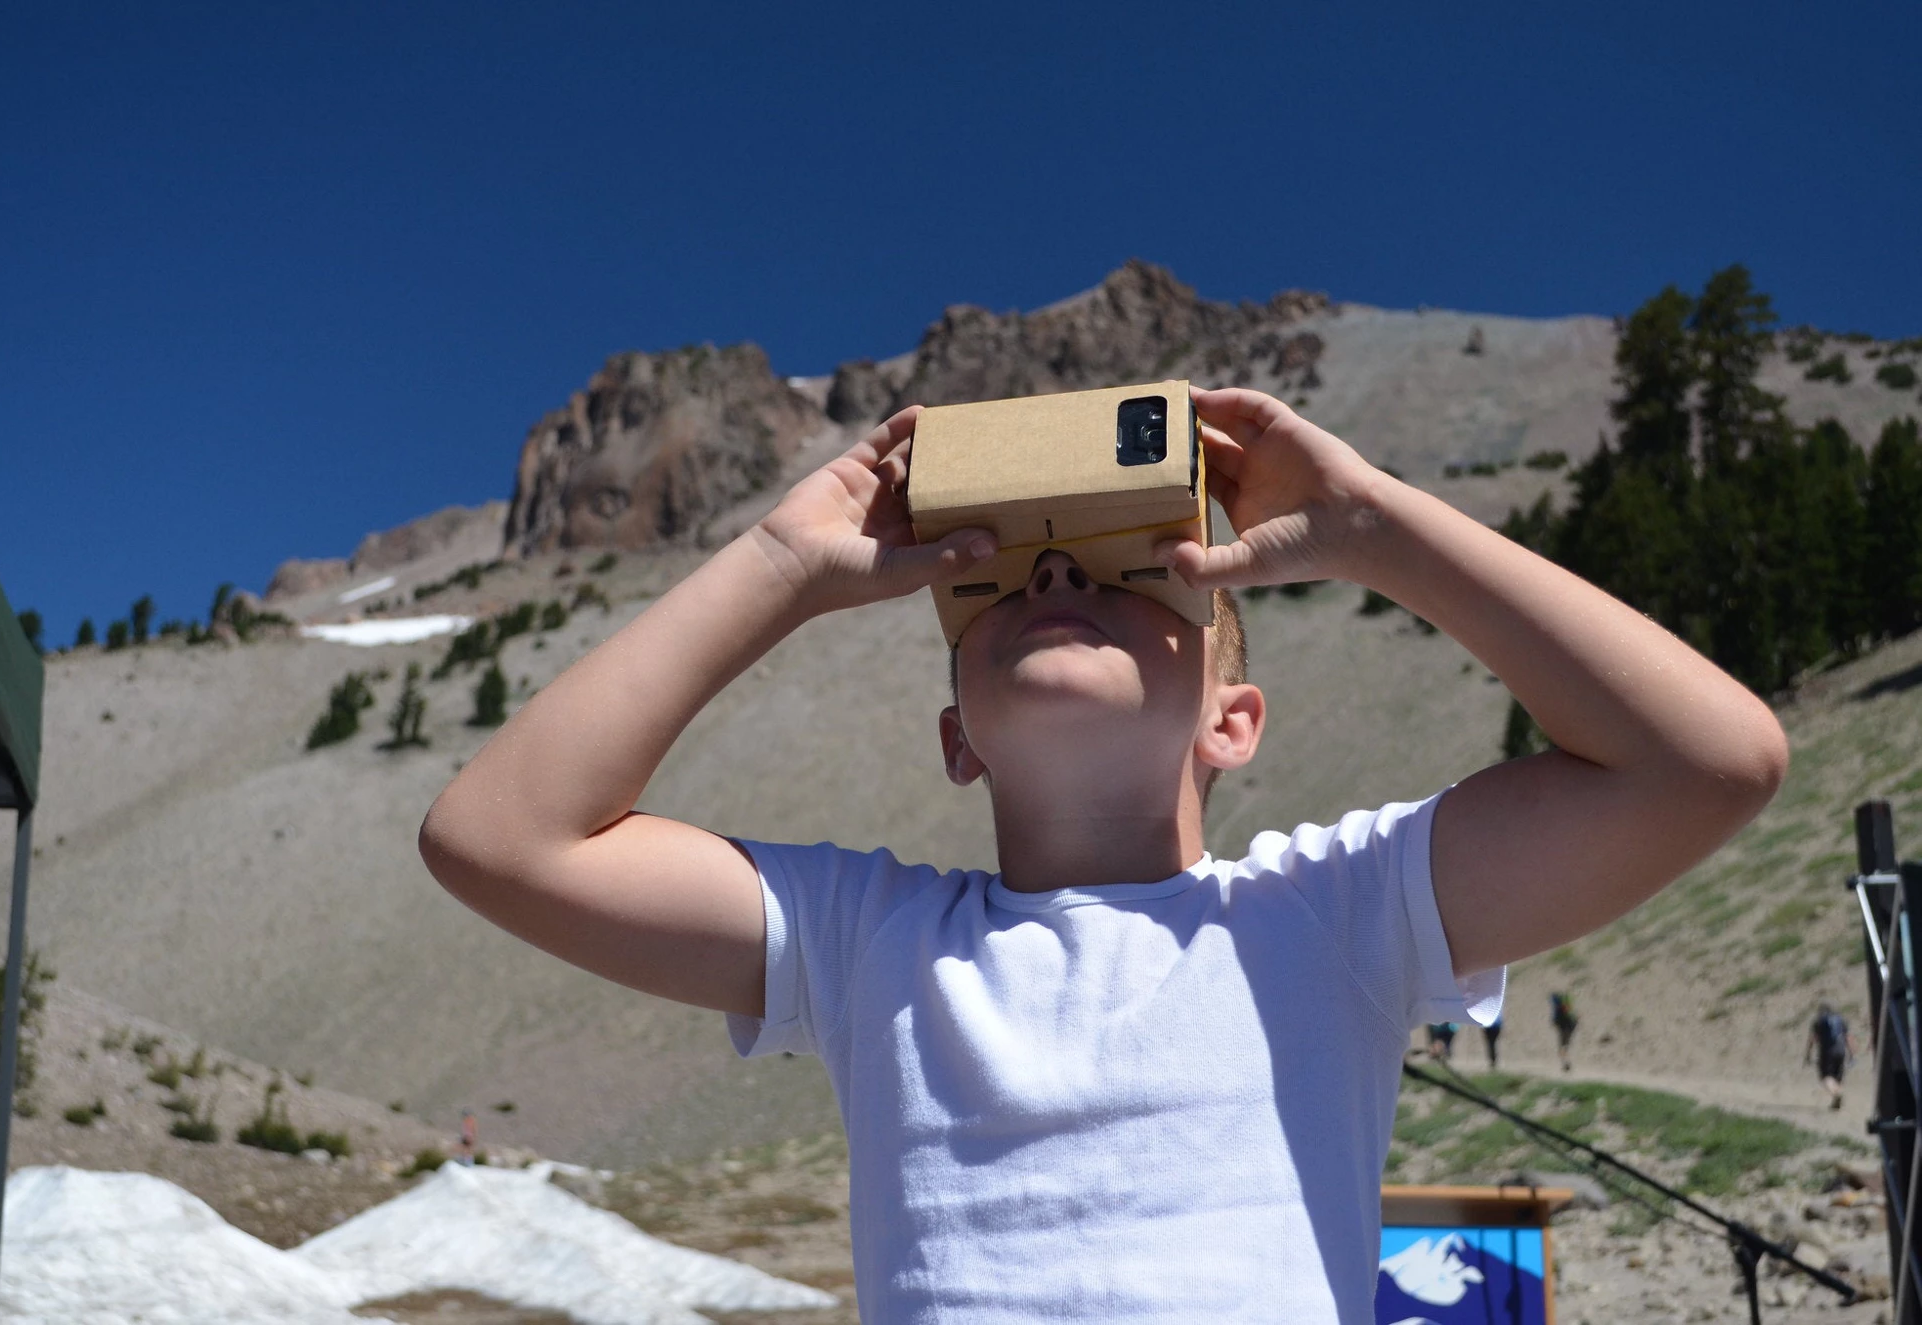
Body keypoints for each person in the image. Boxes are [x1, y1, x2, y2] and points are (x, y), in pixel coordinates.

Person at [419, 388, 1788, 1321]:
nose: (1057, 578)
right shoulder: (868, 940)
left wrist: (1373, 528)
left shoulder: (1341, 911)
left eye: (1138, 574)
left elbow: (1708, 762)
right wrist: (783, 560)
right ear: (957, 738)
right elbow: (500, 838)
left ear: (1232, 724)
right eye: (1002, 584)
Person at [1806, 1003, 1856, 1110]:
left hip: (1827, 1051)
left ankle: (1836, 1094)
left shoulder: (1818, 1022)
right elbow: (1848, 1037)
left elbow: (1812, 1039)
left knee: (1826, 1077)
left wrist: (1808, 1054)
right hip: (1841, 1050)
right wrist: (1852, 1055)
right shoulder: (1841, 1020)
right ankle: (1835, 1100)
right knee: (1837, 1077)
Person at [1550, 991, 1579, 1072]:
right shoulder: (1566, 1010)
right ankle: (1565, 1063)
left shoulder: (1559, 1010)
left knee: (1562, 1047)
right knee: (1564, 1047)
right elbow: (1573, 1019)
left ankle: (1565, 1064)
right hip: (1568, 1027)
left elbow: (1556, 1021)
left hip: (1564, 1028)